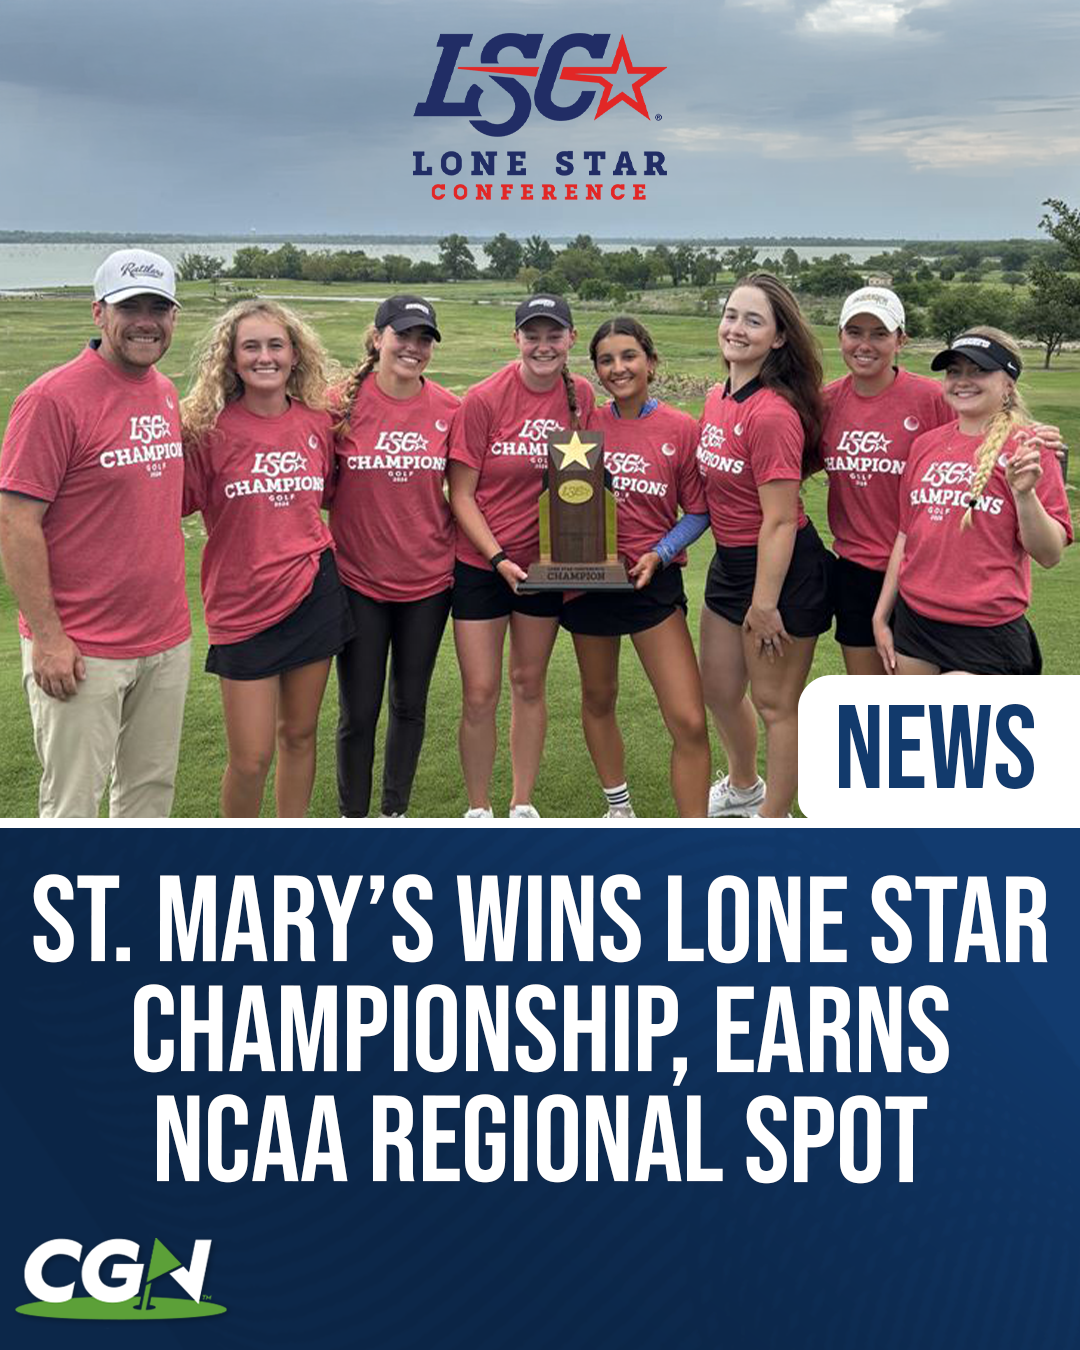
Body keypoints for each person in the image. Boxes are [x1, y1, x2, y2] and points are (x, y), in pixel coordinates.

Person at [0, 249, 191, 817]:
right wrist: (50, 637)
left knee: (148, 796)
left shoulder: (162, 391)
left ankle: (131, 904)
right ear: (98, 314)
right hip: (82, 647)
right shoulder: (52, 399)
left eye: (159, 307)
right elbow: (16, 522)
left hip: (165, 639)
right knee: (73, 807)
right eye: (130, 306)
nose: (146, 321)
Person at [181, 300, 352, 817]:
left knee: (299, 736)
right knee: (251, 757)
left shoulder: (319, 423)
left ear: (294, 355)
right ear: (231, 360)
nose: (264, 357)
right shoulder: (208, 433)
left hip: (313, 593)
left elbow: (327, 494)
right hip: (241, 605)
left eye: (275, 345)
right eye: (250, 347)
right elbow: (164, 502)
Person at [448, 294, 595, 819]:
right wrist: (495, 558)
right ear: (516, 340)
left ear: (571, 340)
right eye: (531, 335)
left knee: (529, 683)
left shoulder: (581, 396)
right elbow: (460, 494)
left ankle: (521, 804)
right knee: (481, 691)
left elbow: (586, 488)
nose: (542, 345)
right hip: (482, 564)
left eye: (553, 335)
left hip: (545, 566)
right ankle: (479, 808)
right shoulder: (484, 400)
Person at [561, 317, 711, 818]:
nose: (618, 368)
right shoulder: (584, 425)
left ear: (650, 360)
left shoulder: (680, 428)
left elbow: (697, 510)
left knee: (688, 719)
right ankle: (619, 808)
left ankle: (695, 834)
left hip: (652, 583)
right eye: (606, 359)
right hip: (588, 581)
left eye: (628, 356)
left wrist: (661, 552)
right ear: (596, 369)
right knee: (599, 697)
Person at [696, 273, 832, 819]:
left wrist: (765, 603)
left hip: (782, 570)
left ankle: (773, 822)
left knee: (776, 705)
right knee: (720, 690)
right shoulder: (715, 397)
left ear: (778, 338)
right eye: (732, 315)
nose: (736, 328)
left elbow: (778, 520)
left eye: (754, 320)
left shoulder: (772, 413)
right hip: (730, 564)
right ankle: (744, 786)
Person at [873, 328, 1071, 675]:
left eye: (979, 370)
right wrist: (880, 615)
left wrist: (1024, 495)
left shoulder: (1029, 448)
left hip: (985, 632)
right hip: (916, 622)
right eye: (954, 371)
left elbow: (1049, 554)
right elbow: (906, 537)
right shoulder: (925, 445)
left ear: (1008, 383)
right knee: (923, 730)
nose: (963, 381)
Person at [330, 296, 460, 818]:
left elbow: (470, 491)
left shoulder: (450, 409)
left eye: (424, 339)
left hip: (429, 582)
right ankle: (353, 820)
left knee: (409, 706)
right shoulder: (338, 404)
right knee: (358, 713)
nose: (413, 347)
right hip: (358, 581)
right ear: (378, 337)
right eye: (403, 335)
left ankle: (393, 814)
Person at [822, 287, 953, 674]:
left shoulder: (932, 399)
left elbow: (981, 442)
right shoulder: (826, 403)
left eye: (880, 334)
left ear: (901, 340)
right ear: (840, 337)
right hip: (856, 573)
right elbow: (786, 465)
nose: (866, 344)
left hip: (922, 570)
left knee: (919, 708)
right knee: (869, 705)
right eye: (855, 332)